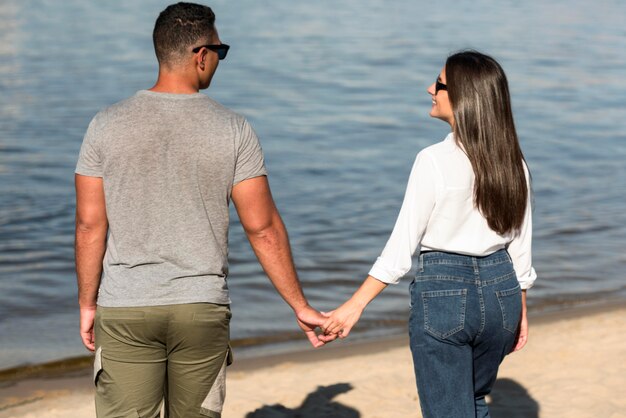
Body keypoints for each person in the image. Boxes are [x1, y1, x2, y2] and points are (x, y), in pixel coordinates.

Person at [74, 3, 328, 417]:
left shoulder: (105, 124)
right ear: (201, 55)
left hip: (125, 307)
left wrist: (88, 303)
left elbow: (89, 226)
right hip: (201, 307)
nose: (218, 62)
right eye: (220, 51)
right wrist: (298, 305)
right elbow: (262, 229)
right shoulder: (234, 129)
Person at [322, 51, 537, 418]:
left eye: (439, 83)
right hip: (503, 293)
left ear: (464, 96)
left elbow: (399, 249)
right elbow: (520, 243)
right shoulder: (514, 162)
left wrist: (353, 306)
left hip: (445, 292)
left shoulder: (433, 160)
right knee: (472, 400)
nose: (429, 89)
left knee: (449, 410)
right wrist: (521, 310)